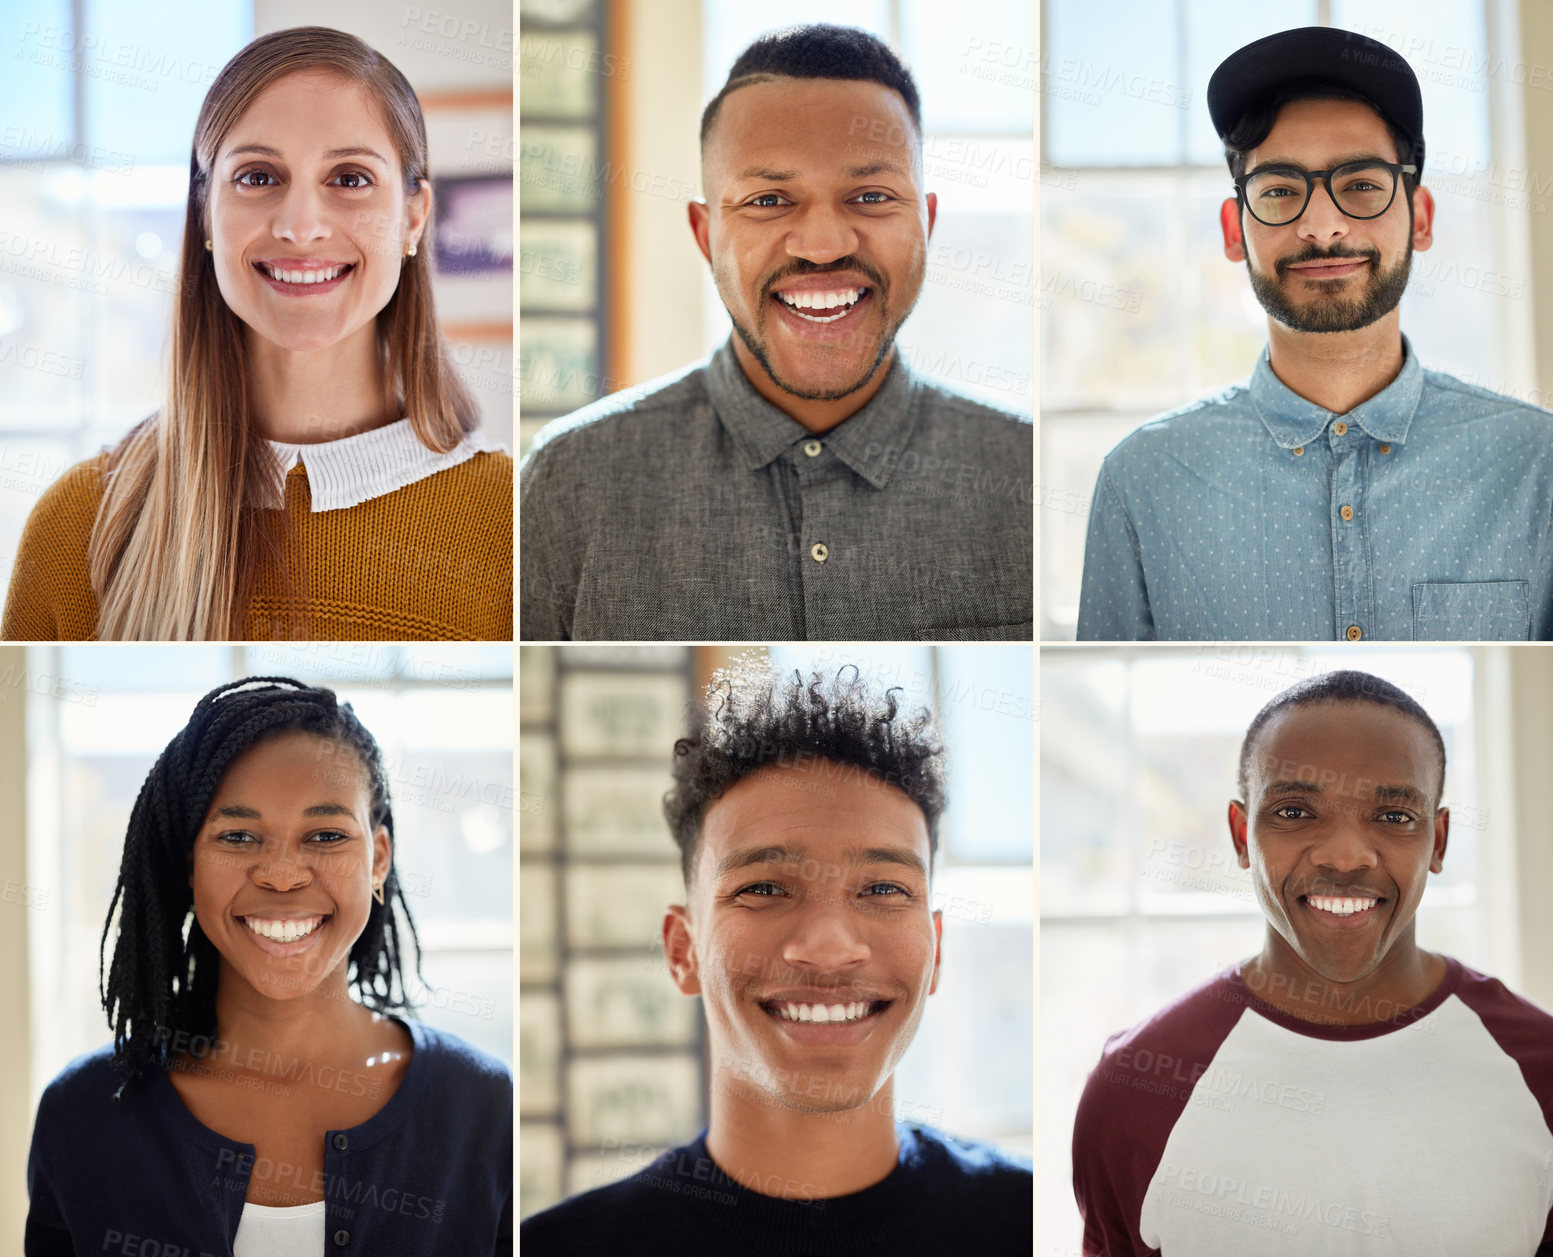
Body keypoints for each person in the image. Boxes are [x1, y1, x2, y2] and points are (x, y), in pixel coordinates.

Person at [519, 662, 1032, 1257]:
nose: (829, 947)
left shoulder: (1027, 1231)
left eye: (883, 888)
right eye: (764, 887)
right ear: (683, 951)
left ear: (937, 949)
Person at [520, 24, 1032, 641]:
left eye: (870, 195)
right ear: (706, 236)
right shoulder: (571, 478)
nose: (822, 245)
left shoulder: (1025, 471)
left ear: (925, 222)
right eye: (768, 201)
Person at [0, 27, 512, 642]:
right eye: (258, 177)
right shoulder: (74, 525)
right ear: (205, 213)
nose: (300, 227)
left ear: (413, 218)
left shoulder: (513, 521)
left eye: (349, 179)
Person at [23, 677, 511, 1257]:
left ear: (378, 859)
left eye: (326, 835)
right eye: (237, 836)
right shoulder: (84, 1115)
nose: (282, 874)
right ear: (189, 863)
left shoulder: (486, 1109)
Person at [1071, 670, 1553, 1257]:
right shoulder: (1136, 1086)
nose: (1346, 855)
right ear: (1243, 835)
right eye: (1296, 811)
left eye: (1394, 816)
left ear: (1439, 839)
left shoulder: (1542, 1069)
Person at [1076, 26, 1553, 642]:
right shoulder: (1140, 482)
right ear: (1233, 229)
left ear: (1422, 217)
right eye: (1279, 192)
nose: (1322, 226)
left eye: (1361, 185)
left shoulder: (1538, 465)